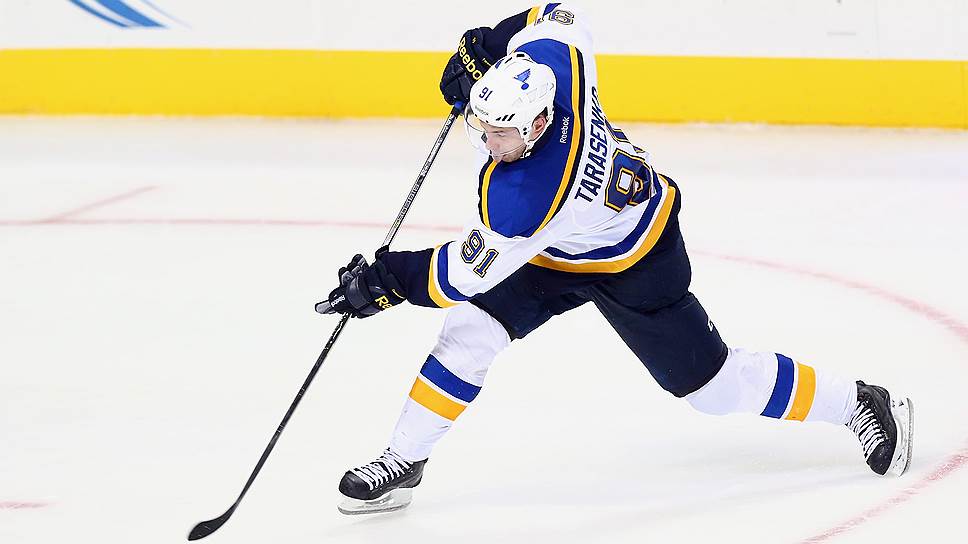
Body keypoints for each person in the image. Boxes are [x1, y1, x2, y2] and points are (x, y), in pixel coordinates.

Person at [315, 4, 914, 515]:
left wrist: (387, 280)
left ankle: (858, 401)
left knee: (712, 388)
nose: (488, 143)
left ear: (539, 124)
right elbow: (554, 12)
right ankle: (404, 459)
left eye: (501, 134)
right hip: (556, 248)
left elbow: (458, 275)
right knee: (471, 331)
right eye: (483, 126)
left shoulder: (529, 195)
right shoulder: (558, 66)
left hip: (634, 256)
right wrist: (493, 44)